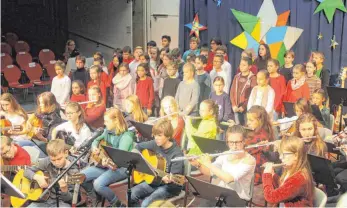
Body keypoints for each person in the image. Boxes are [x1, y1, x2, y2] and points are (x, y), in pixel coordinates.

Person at [81, 108, 134, 207]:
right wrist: (94, 147)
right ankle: (95, 196)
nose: (104, 124)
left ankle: (117, 203)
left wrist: (107, 162)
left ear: (116, 121)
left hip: (122, 168)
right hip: (108, 165)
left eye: (107, 121)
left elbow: (119, 160)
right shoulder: (106, 131)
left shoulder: (126, 137)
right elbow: (95, 140)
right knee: (78, 177)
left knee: (98, 184)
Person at [190, 125, 256, 203]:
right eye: (231, 142)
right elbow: (210, 172)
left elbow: (229, 179)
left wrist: (208, 164)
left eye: (237, 142)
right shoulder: (225, 154)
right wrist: (198, 164)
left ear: (244, 141)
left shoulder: (249, 160)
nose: (234, 146)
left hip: (237, 199)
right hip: (220, 195)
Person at [130, 119, 184, 207]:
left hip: (168, 188)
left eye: (159, 135)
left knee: (145, 204)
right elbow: (137, 147)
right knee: (130, 195)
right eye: (155, 135)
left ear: (168, 136)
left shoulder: (176, 154)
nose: (156, 138)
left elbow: (175, 179)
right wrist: (143, 163)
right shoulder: (155, 143)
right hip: (154, 181)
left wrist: (167, 179)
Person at [24, 139, 80, 207]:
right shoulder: (47, 161)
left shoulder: (74, 172)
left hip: (62, 202)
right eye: (53, 160)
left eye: (59, 159)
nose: (56, 162)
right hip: (43, 199)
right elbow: (27, 171)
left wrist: (64, 190)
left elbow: (71, 200)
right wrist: (37, 177)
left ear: (66, 153)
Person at [262, 136, 314, 207]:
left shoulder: (298, 178)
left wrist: (266, 175)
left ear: (296, 155)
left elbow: (271, 197)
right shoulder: (291, 169)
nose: (280, 157)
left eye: (284, 155)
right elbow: (284, 187)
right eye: (280, 154)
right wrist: (273, 174)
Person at [246, 105, 275, 185]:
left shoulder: (262, 135)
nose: (248, 123)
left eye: (251, 120)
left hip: (257, 172)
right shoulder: (256, 132)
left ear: (260, 121)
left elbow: (246, 150)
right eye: (247, 120)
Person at [230, 57, 257, 125]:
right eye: (240, 64)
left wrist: (244, 106)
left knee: (245, 128)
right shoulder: (236, 77)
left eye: (244, 65)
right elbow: (232, 91)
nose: (241, 66)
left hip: (246, 109)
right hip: (236, 107)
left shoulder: (253, 78)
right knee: (237, 128)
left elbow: (252, 95)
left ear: (250, 66)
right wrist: (233, 105)